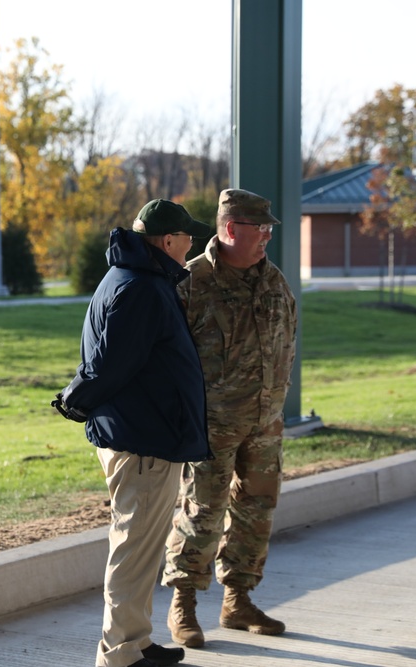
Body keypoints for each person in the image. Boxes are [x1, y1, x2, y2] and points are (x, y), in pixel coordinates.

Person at [56, 199, 211, 667]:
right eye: (187, 237)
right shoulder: (142, 287)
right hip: (142, 440)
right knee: (134, 546)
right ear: (167, 241)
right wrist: (73, 400)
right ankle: (121, 652)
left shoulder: (138, 277)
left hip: (144, 434)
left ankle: (136, 640)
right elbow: (109, 364)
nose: (192, 245)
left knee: (142, 548)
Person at [162, 188, 298, 648]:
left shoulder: (274, 281)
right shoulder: (191, 283)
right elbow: (168, 360)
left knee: (256, 510)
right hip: (211, 423)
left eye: (268, 231)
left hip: (265, 421)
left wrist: (276, 401)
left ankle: (238, 600)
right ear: (230, 229)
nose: (266, 239)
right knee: (202, 511)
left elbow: (288, 339)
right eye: (259, 230)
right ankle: (183, 605)